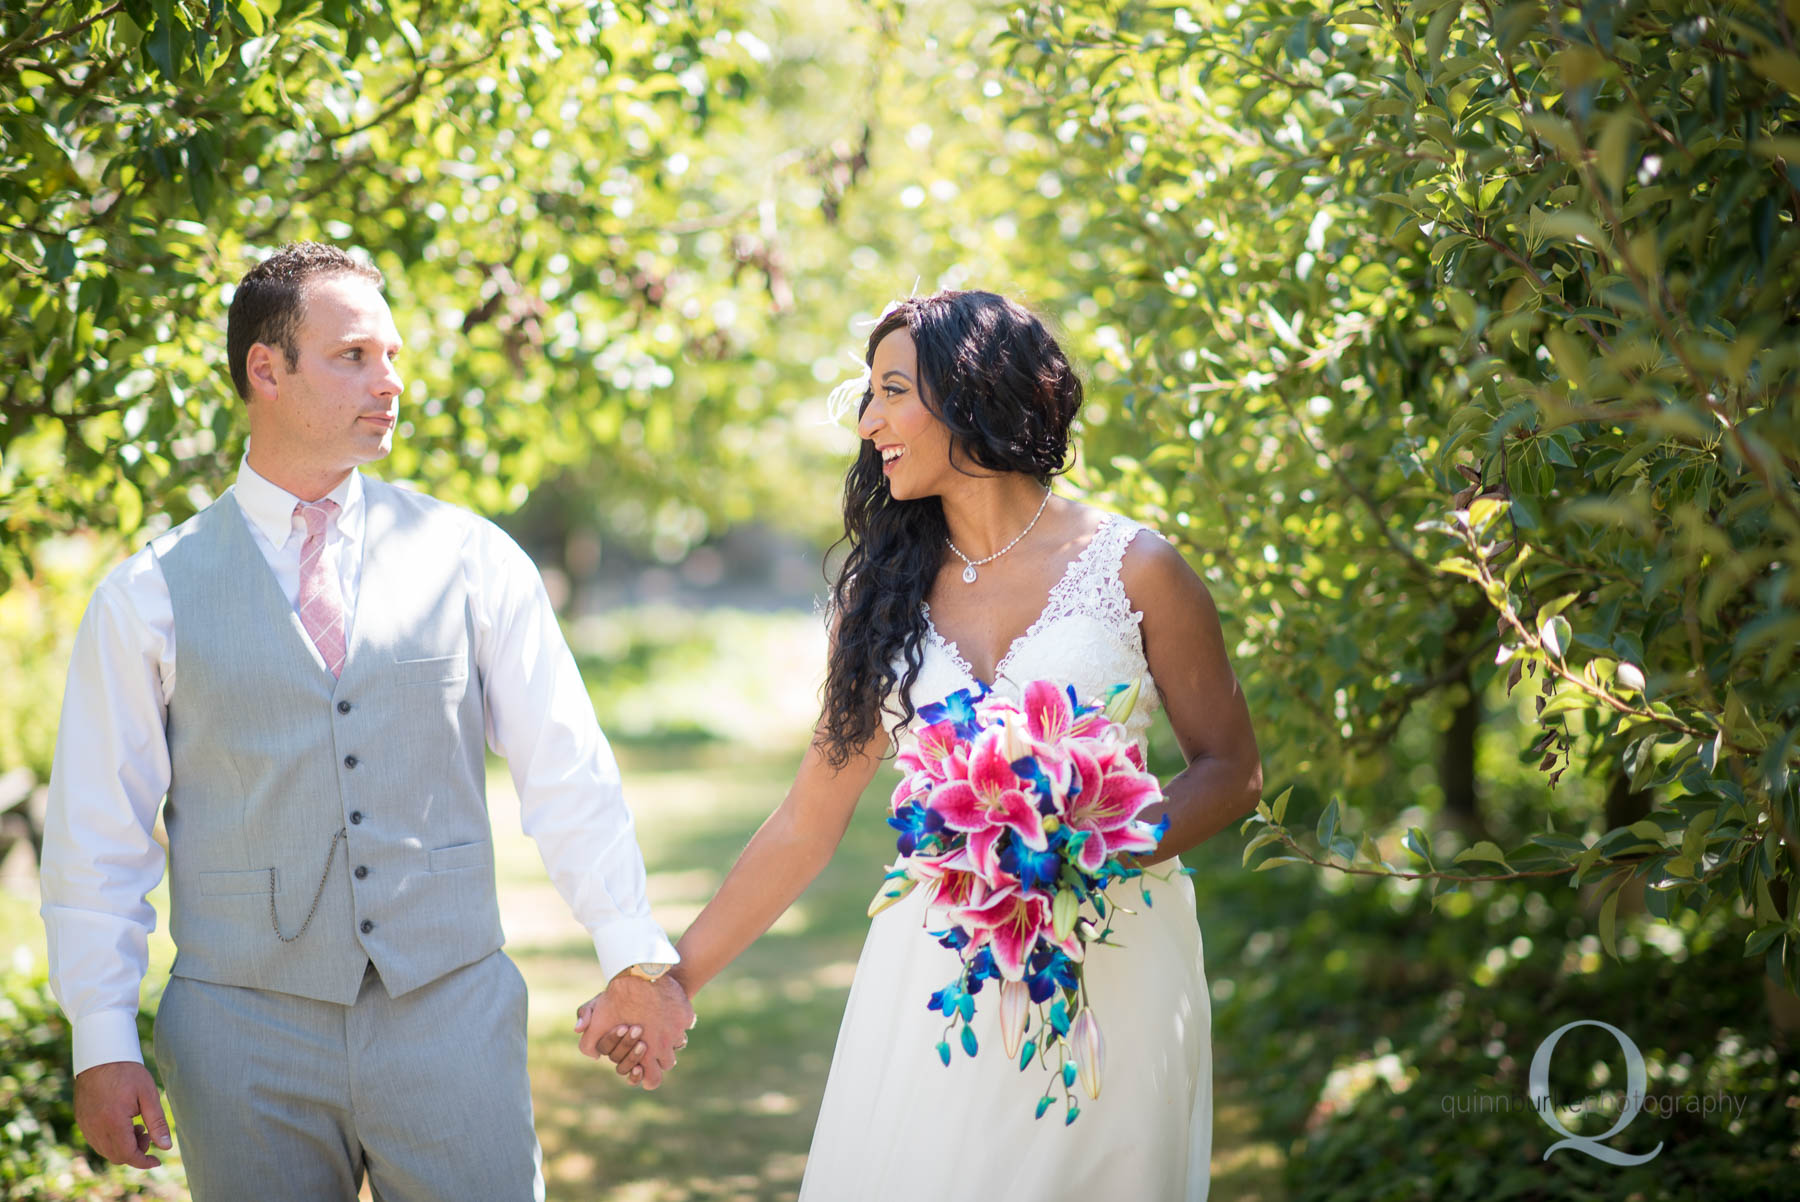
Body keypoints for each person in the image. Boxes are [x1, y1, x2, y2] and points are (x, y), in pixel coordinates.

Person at [38, 241, 693, 1202]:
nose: (389, 382)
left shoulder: (473, 558)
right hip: (240, 1038)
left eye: (391, 355)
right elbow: (98, 835)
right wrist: (101, 1040)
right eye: (354, 356)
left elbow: (567, 772)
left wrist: (631, 952)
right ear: (267, 369)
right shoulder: (147, 596)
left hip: (451, 1013)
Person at [584, 290, 1262, 1199]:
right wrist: (673, 981)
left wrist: (1079, 854)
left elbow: (1229, 770)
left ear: (973, 390)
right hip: (939, 967)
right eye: (867, 398)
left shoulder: (1136, 566)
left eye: (892, 391)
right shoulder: (879, 600)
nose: (870, 423)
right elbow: (805, 825)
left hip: (1116, 956)